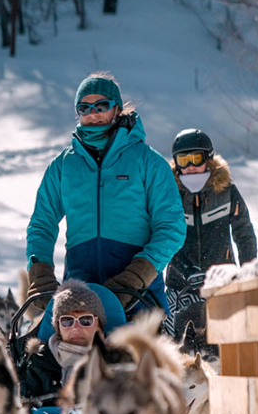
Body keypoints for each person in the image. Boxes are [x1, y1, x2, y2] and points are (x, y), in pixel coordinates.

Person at [25, 73, 185, 316]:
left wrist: (136, 275)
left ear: (117, 109)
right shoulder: (63, 166)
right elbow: (41, 224)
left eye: (101, 106)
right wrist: (41, 272)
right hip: (81, 292)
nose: (93, 113)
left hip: (139, 293)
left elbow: (172, 227)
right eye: (84, 107)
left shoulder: (147, 161)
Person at [164, 128, 257, 350]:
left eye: (195, 159)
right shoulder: (169, 195)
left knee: (223, 348)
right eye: (183, 161)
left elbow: (244, 234)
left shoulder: (226, 192)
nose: (189, 167)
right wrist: (185, 270)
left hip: (221, 282)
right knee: (181, 350)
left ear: (209, 158)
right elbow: (163, 237)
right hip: (180, 285)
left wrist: (247, 272)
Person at [18, 281, 107, 401]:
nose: (76, 328)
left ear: (99, 325)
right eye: (67, 321)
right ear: (58, 328)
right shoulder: (39, 363)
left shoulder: (116, 363)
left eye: (85, 320)